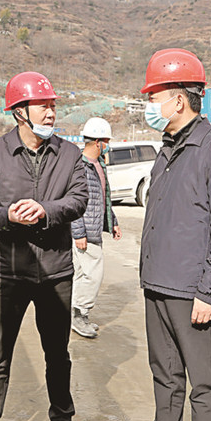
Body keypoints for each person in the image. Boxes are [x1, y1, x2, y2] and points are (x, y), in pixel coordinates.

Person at [116, 49, 211, 421]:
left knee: (205, 385)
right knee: (165, 372)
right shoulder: (169, 149)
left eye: (154, 97)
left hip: (193, 291)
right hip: (158, 283)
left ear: (178, 99)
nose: (149, 106)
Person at [0, 71, 88, 421]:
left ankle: (63, 420)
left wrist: (45, 210)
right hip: (8, 273)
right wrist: (7, 216)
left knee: (58, 353)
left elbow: (79, 199)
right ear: (20, 112)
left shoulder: (69, 154)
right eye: (43, 106)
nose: (51, 113)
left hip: (55, 272)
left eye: (53, 106)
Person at [70, 117, 121, 339]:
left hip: (94, 228)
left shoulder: (99, 164)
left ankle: (75, 314)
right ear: (98, 142)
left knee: (82, 274)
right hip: (86, 232)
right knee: (93, 275)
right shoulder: (79, 166)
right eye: (106, 141)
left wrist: (112, 221)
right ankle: (80, 315)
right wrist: (78, 232)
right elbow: (73, 201)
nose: (108, 145)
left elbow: (103, 198)